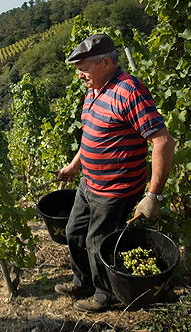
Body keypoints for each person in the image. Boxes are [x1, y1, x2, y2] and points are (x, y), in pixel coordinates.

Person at [54, 34, 176, 312]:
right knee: (74, 232)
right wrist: (75, 166)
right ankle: (82, 280)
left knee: (97, 243)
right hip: (90, 183)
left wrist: (154, 195)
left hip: (115, 189)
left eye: (83, 69)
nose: (80, 75)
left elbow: (163, 141)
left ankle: (104, 295)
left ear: (106, 62)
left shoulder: (128, 91)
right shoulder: (94, 89)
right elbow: (92, 136)